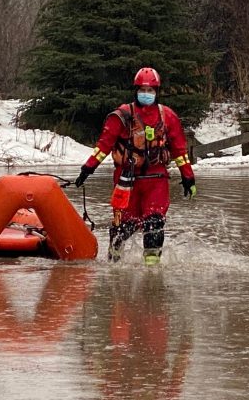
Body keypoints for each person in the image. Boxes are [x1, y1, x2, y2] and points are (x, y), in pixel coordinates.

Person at [75, 67, 196, 265]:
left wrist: (188, 177)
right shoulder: (121, 116)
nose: (146, 94)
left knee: (154, 224)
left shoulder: (168, 117)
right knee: (123, 227)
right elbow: (103, 146)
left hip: (156, 180)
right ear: (135, 90)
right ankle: (114, 259)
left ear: (157, 92)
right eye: (142, 90)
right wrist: (88, 168)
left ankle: (152, 273)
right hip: (126, 181)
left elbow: (180, 151)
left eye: (150, 91)